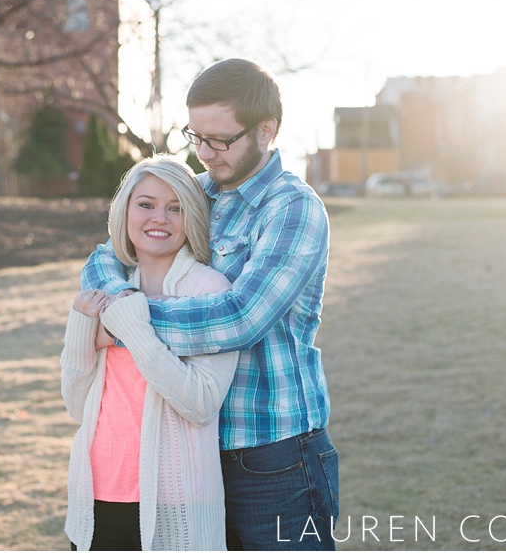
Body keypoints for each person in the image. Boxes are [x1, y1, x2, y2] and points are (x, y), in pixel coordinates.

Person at [82, 58, 338, 550]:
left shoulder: (292, 208)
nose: (203, 152)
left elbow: (239, 317)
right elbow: (106, 255)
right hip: (190, 451)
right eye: (194, 136)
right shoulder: (193, 193)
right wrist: (117, 303)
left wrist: (120, 325)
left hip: (274, 456)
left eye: (219, 140)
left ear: (267, 130)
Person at [62, 155, 239, 551]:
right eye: (146, 204)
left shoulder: (209, 290)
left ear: (191, 217)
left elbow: (202, 402)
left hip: (174, 499)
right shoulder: (112, 287)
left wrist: (132, 328)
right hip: (96, 494)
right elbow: (77, 406)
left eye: (175, 208)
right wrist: (80, 326)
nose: (159, 217)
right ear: (124, 212)